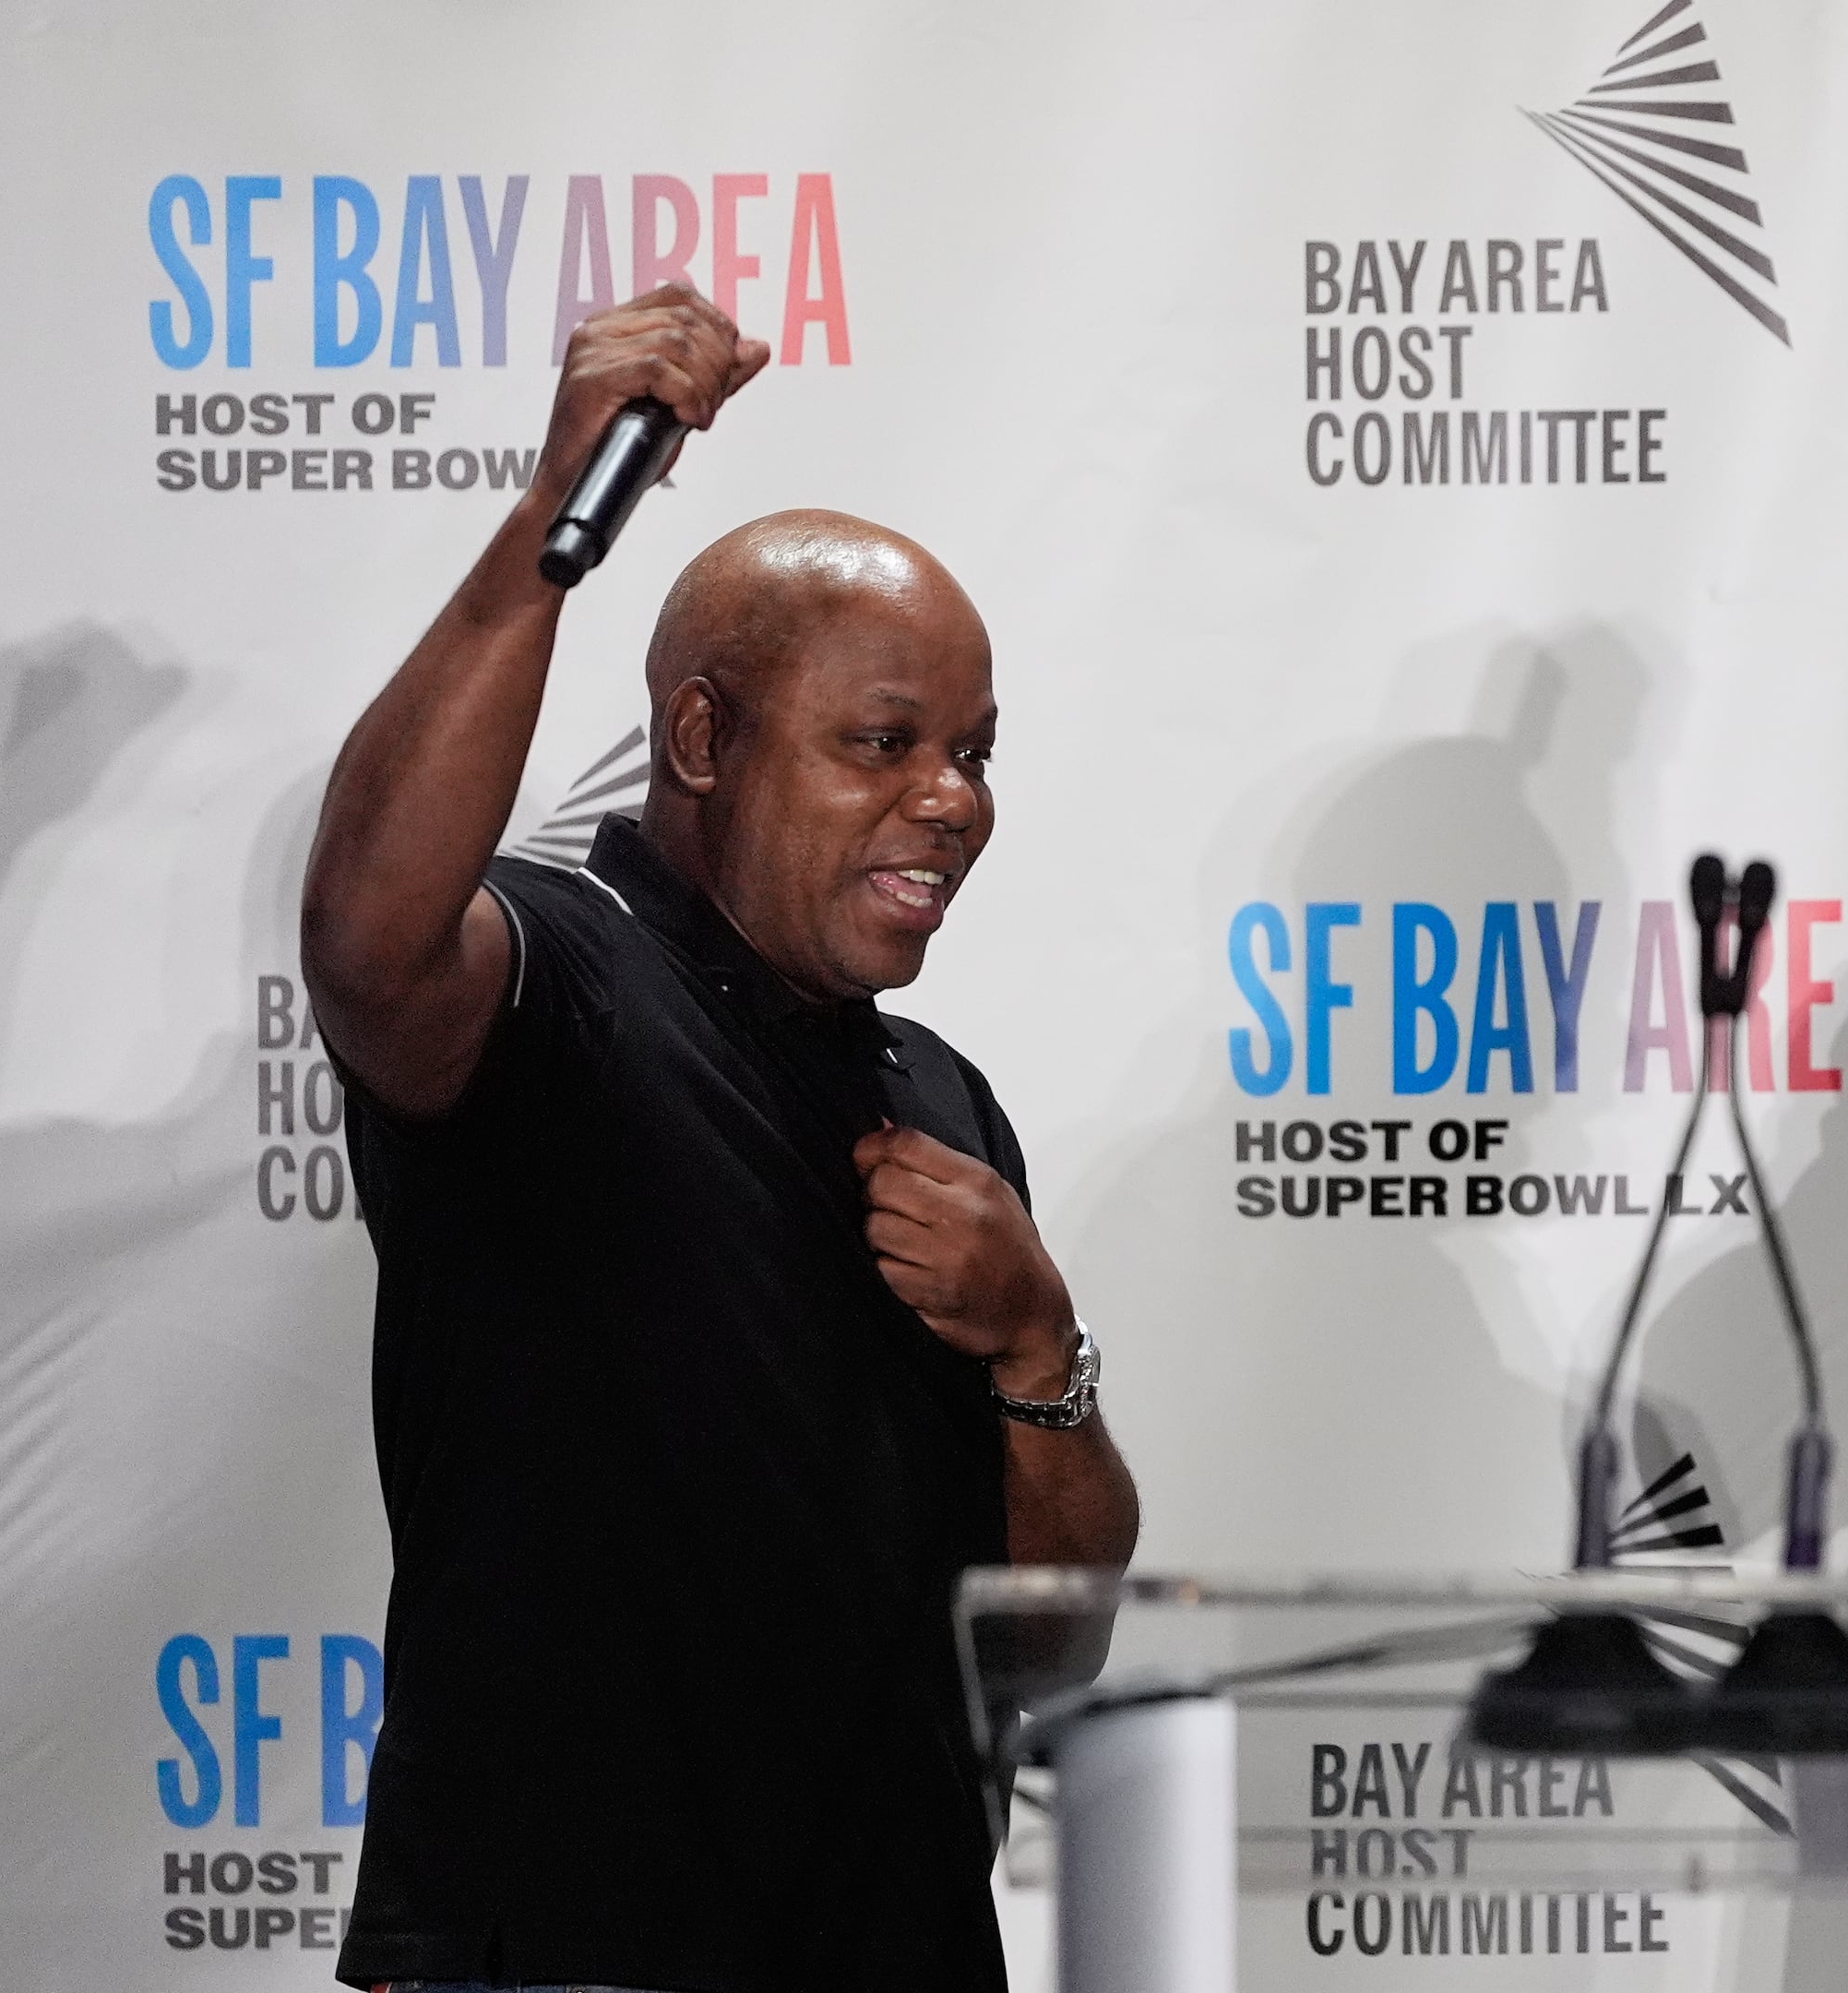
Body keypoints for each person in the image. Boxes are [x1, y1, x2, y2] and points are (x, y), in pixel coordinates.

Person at [301, 282, 1139, 1992]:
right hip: (560, 1951)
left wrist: (1040, 1347)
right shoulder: (559, 985)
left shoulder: (946, 1103)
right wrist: (552, 519)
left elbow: (1050, 1641)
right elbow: (373, 940)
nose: (954, 798)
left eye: (973, 753)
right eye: (884, 742)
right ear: (700, 737)